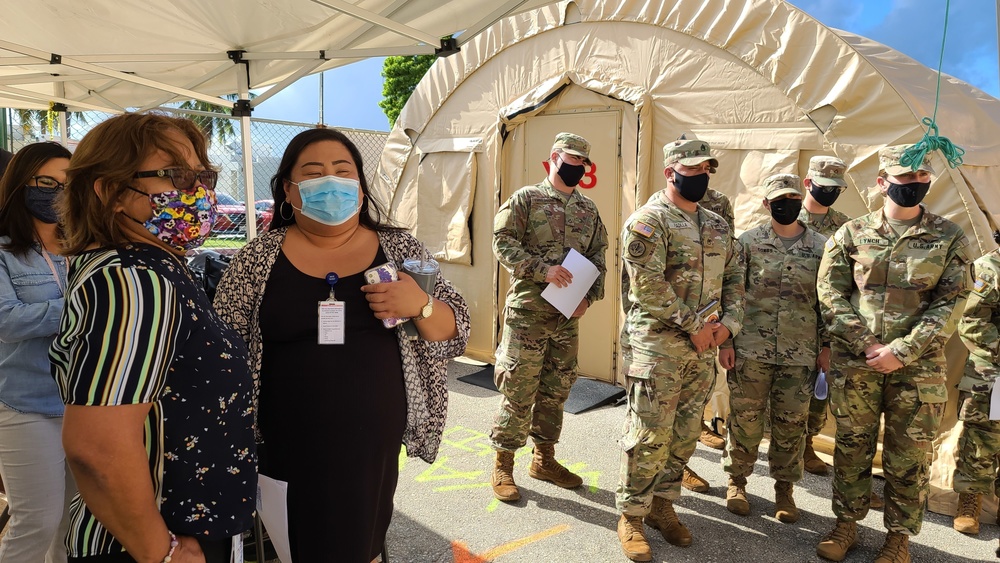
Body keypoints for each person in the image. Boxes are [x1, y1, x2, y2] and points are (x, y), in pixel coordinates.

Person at [213, 127, 470, 563]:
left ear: (360, 186)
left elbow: (456, 329)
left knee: (362, 544)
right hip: (286, 442)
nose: (330, 181)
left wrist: (421, 304)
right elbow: (223, 351)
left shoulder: (398, 248)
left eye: (342, 170)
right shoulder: (257, 259)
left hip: (372, 443)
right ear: (289, 192)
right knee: (301, 546)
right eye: (313, 173)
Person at [49, 113, 257, 563]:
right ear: (110, 191)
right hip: (152, 543)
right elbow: (96, 446)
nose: (199, 191)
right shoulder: (134, 280)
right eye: (177, 175)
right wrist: (158, 551)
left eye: (204, 175)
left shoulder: (147, 267)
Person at [815, 144, 972, 563]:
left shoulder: (948, 236)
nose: (915, 185)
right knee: (852, 448)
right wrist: (868, 345)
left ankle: (898, 539)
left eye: (922, 178)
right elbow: (830, 293)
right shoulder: (850, 234)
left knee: (909, 456)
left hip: (917, 369)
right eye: (906, 178)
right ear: (882, 182)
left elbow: (953, 302)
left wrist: (902, 350)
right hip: (858, 362)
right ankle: (845, 524)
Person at [616, 138, 744, 561]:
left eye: (707, 169)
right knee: (649, 433)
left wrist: (727, 327)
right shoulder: (649, 222)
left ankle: (662, 505)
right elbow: (648, 285)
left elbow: (736, 280)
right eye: (692, 170)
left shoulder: (719, 225)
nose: (701, 176)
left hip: (703, 350)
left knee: (687, 432)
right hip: (658, 348)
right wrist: (693, 327)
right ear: (671, 172)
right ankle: (631, 516)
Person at [489, 132, 608, 502]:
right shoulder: (527, 199)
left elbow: (600, 256)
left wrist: (589, 297)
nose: (575, 167)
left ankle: (544, 459)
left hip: (566, 319)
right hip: (528, 315)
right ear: (554, 157)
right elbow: (502, 241)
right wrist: (542, 270)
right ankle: (503, 465)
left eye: (581, 163)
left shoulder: (588, 210)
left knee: (556, 391)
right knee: (519, 390)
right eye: (569, 160)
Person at [723, 173, 828, 523]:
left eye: (794, 198)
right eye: (780, 199)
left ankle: (784, 491)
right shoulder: (748, 243)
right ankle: (737, 481)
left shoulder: (822, 246)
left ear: (801, 200)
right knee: (746, 420)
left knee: (790, 425)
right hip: (751, 348)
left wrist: (826, 346)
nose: (788, 204)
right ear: (767, 204)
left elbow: (829, 302)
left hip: (800, 354)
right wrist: (727, 340)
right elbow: (733, 294)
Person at [0, 141, 76, 562]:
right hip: (26, 405)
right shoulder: (5, 250)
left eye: (68, 183)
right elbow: (6, 322)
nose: (58, 193)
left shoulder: (85, 246)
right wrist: (81, 305)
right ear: (19, 184)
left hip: (86, 404)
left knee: (73, 526)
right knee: (37, 522)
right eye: (46, 182)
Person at [797, 155, 852, 477]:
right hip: (786, 321)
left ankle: (806, 445)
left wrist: (831, 340)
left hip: (823, 325)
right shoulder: (787, 213)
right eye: (824, 186)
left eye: (836, 189)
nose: (830, 193)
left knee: (818, 393)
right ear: (808, 183)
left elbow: (847, 286)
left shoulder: (845, 227)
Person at [951, 234, 1000, 536]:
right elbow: (970, 320)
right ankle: (970, 500)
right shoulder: (988, 268)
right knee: (982, 436)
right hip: (991, 370)